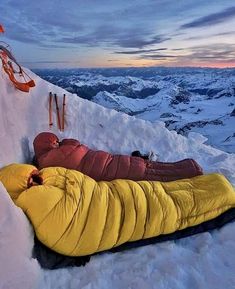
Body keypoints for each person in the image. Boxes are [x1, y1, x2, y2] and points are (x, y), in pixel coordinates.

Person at [33, 132, 203, 182]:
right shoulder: (57, 154)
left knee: (151, 172)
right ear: (47, 144)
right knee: (151, 170)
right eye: (54, 141)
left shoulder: (47, 161)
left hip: (106, 167)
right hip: (109, 163)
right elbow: (75, 143)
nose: (57, 142)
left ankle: (188, 170)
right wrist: (63, 142)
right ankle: (188, 168)